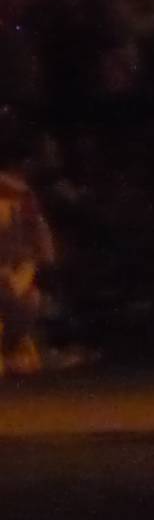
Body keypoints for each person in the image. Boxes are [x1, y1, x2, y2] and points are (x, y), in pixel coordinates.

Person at [0, 111, 57, 378]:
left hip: (13, 279)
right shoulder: (10, 198)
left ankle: (11, 348)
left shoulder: (24, 200)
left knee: (30, 299)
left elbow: (45, 255)